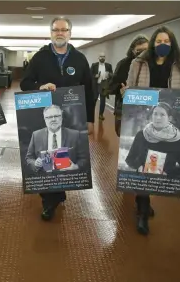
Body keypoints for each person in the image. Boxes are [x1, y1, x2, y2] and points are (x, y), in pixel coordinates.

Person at [20, 16, 95, 221]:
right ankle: (48, 200)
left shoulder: (79, 59)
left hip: (72, 117)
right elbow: (25, 82)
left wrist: (90, 120)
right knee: (47, 154)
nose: (60, 33)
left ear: (70, 33)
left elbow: (90, 90)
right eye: (56, 30)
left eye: (64, 29)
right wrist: (39, 87)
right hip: (47, 115)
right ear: (51, 33)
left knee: (64, 156)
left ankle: (59, 192)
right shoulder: (40, 57)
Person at [121, 26, 180, 235]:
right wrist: (126, 94)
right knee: (144, 165)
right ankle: (142, 211)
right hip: (150, 117)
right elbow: (130, 89)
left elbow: (179, 95)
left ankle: (144, 202)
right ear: (152, 43)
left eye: (167, 41)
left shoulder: (178, 66)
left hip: (166, 120)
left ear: (172, 43)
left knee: (158, 168)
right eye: (159, 41)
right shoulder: (139, 63)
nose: (163, 45)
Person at [25, 105, 88, 174]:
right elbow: (29, 158)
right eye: (49, 117)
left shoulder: (75, 135)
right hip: (45, 179)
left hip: (68, 177)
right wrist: (35, 163)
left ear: (61, 117)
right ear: (45, 119)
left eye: (56, 116)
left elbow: (84, 158)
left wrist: (76, 166)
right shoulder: (36, 135)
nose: (53, 119)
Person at [108, 35, 149, 136]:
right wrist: (121, 89)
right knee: (124, 136)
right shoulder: (123, 64)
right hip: (124, 108)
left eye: (146, 50)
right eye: (139, 50)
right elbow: (112, 86)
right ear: (133, 51)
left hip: (147, 109)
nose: (143, 53)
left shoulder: (153, 64)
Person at [90, 52, 113, 120]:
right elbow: (90, 74)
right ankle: (91, 114)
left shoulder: (109, 65)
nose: (102, 58)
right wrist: (95, 76)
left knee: (103, 101)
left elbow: (112, 74)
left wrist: (109, 75)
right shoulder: (94, 65)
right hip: (96, 85)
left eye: (103, 56)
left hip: (104, 85)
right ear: (98, 57)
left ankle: (101, 115)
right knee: (94, 100)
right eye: (101, 56)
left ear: (105, 58)